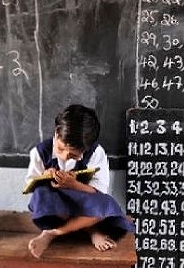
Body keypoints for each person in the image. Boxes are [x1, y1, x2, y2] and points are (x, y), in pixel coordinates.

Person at [25, 104, 135, 258]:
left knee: (105, 204)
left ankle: (53, 233)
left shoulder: (96, 153)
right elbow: (31, 185)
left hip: (84, 203)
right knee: (41, 195)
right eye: (61, 148)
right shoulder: (40, 152)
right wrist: (45, 175)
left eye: (73, 156)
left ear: (85, 149)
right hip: (57, 205)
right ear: (56, 133)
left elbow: (99, 191)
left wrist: (74, 185)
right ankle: (91, 229)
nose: (64, 157)